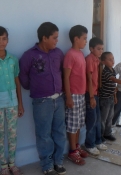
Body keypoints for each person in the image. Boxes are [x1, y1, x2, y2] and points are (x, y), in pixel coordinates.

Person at [19, 22, 66, 175]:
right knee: (44, 134)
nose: (57, 41)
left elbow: (62, 72)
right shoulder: (29, 55)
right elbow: (23, 76)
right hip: (42, 102)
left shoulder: (58, 53)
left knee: (59, 132)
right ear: (44, 38)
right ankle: (47, 166)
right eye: (54, 38)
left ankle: (58, 162)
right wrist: (33, 87)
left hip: (59, 99)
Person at [0, 26, 24, 175]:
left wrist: (20, 104)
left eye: (4, 39)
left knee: (13, 135)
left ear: (7, 40)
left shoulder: (13, 59)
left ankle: (12, 163)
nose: (1, 42)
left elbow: (17, 83)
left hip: (13, 103)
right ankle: (3, 166)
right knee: (0, 136)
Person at [63, 25, 88, 165]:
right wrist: (68, 97)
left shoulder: (80, 54)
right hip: (73, 95)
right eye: (84, 38)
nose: (86, 41)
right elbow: (66, 77)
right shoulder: (70, 55)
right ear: (76, 38)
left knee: (78, 123)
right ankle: (72, 151)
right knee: (72, 125)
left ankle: (77, 147)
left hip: (81, 94)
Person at [99, 52, 121, 142]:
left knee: (110, 117)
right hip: (105, 99)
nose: (112, 61)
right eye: (110, 59)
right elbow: (114, 80)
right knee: (103, 119)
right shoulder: (105, 72)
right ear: (103, 62)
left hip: (111, 98)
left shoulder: (112, 70)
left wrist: (115, 96)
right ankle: (100, 135)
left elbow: (114, 85)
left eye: (113, 58)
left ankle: (107, 133)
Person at [84, 37, 107, 156]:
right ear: (91, 48)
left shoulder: (97, 60)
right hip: (91, 94)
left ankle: (98, 141)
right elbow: (88, 78)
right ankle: (89, 144)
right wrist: (92, 97)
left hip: (96, 94)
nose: (100, 51)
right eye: (98, 49)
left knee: (98, 119)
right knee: (92, 121)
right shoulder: (89, 60)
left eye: (102, 49)